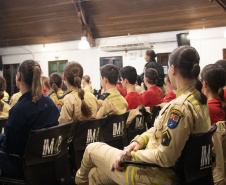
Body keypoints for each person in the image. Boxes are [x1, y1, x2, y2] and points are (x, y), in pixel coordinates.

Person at [75, 46, 211, 185]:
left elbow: (165, 157)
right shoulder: (198, 99)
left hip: (154, 174)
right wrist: (137, 141)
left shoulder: (180, 107)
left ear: (172, 69)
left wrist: (129, 156)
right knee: (94, 175)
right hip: (160, 170)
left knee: (91, 149)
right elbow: (160, 129)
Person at [0, 60, 59, 178]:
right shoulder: (50, 104)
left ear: (19, 76)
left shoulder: (18, 110)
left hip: (23, 167)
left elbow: (10, 150)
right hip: (48, 165)